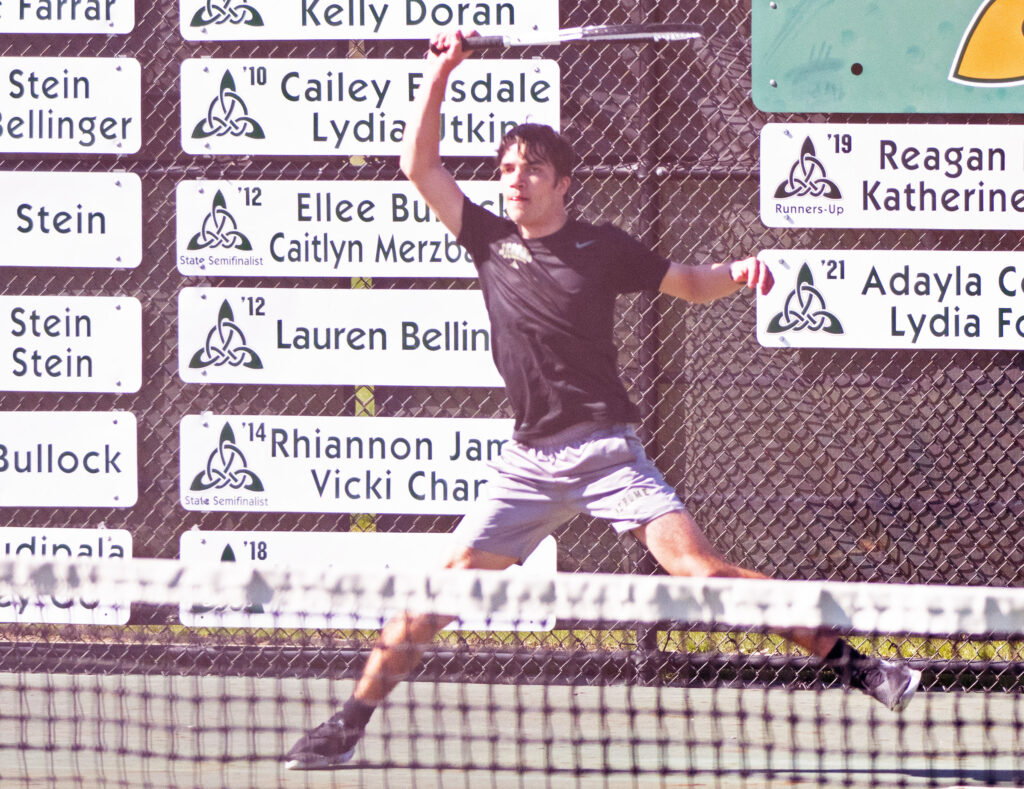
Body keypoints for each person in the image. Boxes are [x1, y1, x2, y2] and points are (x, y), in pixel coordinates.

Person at [284, 29, 921, 771]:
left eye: (532, 169)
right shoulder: (487, 239)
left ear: (565, 185)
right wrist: (441, 71)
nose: (514, 179)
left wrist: (738, 271)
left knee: (704, 574)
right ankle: (348, 725)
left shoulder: (604, 246)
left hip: (609, 453)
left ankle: (863, 668)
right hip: (527, 464)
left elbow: (685, 281)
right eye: (507, 168)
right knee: (436, 593)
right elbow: (417, 165)